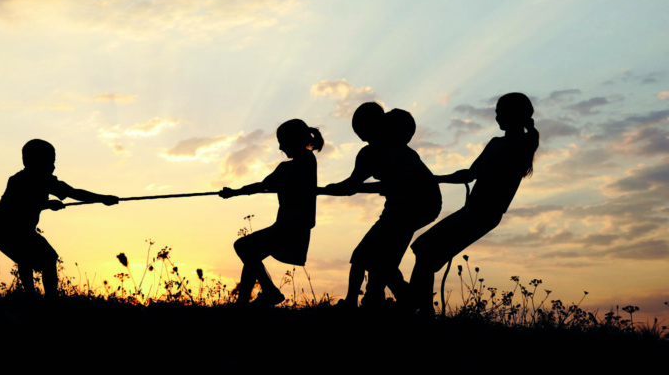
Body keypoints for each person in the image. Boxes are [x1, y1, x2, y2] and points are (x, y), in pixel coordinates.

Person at [405, 92, 540, 316]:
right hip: (478, 211)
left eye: (500, 113)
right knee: (424, 251)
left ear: (513, 114)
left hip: (482, 212)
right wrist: (435, 179)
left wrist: (434, 179)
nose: (496, 118)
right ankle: (419, 309)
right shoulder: (509, 143)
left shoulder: (515, 145)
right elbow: (470, 174)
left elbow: (473, 174)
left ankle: (416, 309)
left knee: (425, 251)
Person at [320, 104, 441, 310]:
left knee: (368, 256)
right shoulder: (369, 154)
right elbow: (352, 184)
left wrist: (328, 190)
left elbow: (356, 186)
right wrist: (327, 190)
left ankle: (363, 301)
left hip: (417, 206)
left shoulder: (402, 154)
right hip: (398, 207)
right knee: (377, 260)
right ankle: (390, 299)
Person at [0, 139, 118, 298]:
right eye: (49, 161)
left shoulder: (40, 180)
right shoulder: (23, 180)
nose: (53, 166)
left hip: (18, 230)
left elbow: (69, 194)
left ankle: (48, 297)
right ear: (33, 161)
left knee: (47, 257)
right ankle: (35, 297)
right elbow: (22, 203)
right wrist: (102, 198)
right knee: (26, 257)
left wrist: (102, 199)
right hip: (5, 229)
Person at [219, 119, 322, 306]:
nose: (281, 147)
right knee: (243, 246)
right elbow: (262, 185)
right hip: (283, 225)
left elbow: (285, 181)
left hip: (294, 226)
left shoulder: (307, 159)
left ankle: (249, 301)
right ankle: (264, 293)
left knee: (248, 249)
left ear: (295, 139)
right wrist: (235, 192)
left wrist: (278, 183)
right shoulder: (285, 168)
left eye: (283, 141)